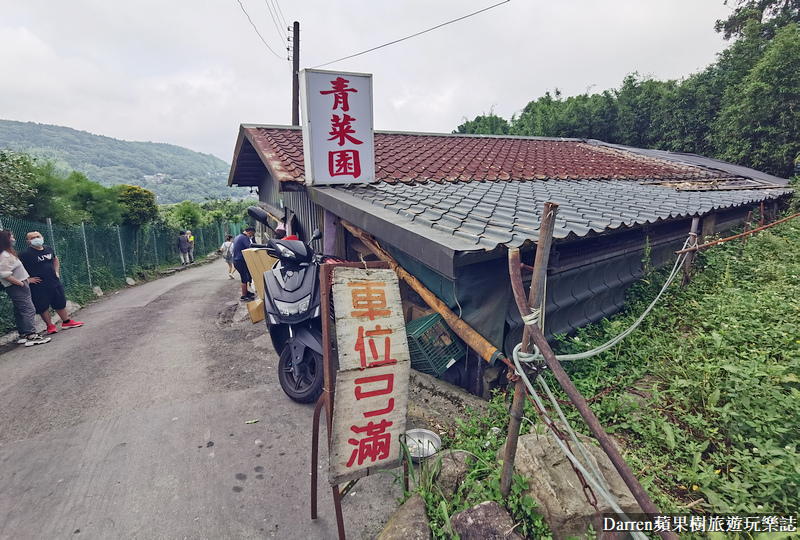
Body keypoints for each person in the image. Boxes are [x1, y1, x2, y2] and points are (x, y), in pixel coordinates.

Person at [19, 231, 84, 335]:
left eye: (37, 236)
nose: (36, 239)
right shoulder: (25, 254)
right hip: (38, 285)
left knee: (59, 301)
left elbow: (55, 260)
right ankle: (50, 326)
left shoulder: (48, 248)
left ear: (42, 237)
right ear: (28, 241)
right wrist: (28, 279)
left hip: (53, 281)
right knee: (42, 305)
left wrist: (56, 272)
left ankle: (66, 322)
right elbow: (17, 268)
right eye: (32, 238)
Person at [0, 230, 51, 346]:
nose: (13, 239)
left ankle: (23, 333)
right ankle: (31, 335)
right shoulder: (5, 256)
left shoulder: (8, 254)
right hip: (16, 286)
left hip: (19, 284)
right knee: (28, 309)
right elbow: (3, 273)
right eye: (11, 237)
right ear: (5, 240)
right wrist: (20, 283)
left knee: (20, 310)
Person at [232, 227, 255, 301]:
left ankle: (246, 292)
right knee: (244, 277)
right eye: (251, 235)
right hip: (240, 260)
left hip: (237, 260)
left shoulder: (238, 236)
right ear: (249, 233)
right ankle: (244, 295)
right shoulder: (244, 238)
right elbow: (250, 247)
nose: (251, 236)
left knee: (246, 276)